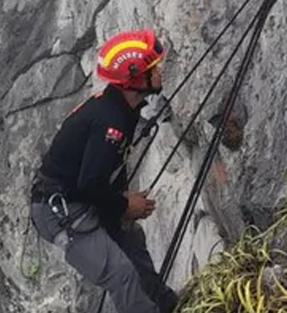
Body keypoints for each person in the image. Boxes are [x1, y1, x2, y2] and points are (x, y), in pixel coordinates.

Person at [29, 29, 178, 313]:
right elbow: (89, 182)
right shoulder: (111, 121)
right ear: (134, 79)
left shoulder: (122, 107)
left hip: (80, 196)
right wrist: (123, 203)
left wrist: (120, 205)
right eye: (152, 68)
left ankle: (167, 305)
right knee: (120, 274)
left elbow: (105, 169)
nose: (160, 71)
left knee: (130, 240)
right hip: (61, 211)